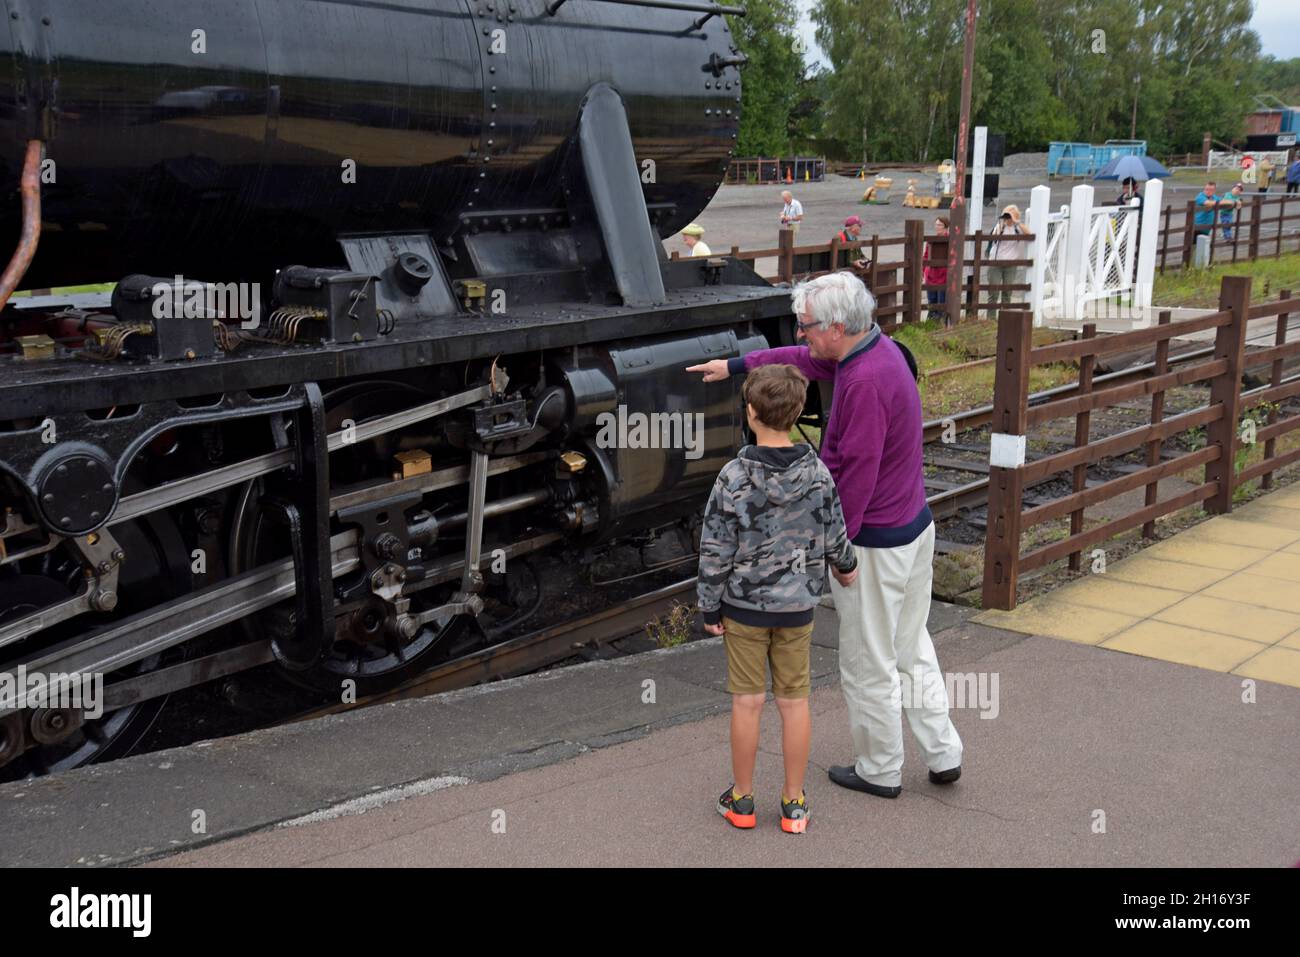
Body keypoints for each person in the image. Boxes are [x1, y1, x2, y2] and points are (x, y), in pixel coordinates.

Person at [687, 271, 964, 802]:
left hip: (876, 542)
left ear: (837, 326)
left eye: (807, 325)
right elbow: (804, 360)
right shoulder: (880, 352)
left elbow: (854, 476)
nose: (803, 333)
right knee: (912, 644)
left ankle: (880, 768)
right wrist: (737, 365)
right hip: (914, 527)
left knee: (867, 658)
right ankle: (943, 749)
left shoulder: (861, 383)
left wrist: (840, 554)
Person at [696, 363, 858, 834]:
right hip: (797, 609)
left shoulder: (732, 477)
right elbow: (835, 534)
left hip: (744, 609)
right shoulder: (818, 473)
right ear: (799, 410)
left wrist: (710, 604)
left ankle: (743, 801)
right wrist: (846, 569)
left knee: (747, 703)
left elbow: (714, 548)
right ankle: (793, 804)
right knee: (794, 702)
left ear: (750, 412)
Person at [984, 204, 1026, 306]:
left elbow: (1029, 234)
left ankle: (1005, 316)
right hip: (995, 262)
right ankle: (991, 319)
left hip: (1011, 264)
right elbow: (994, 238)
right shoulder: (999, 226)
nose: (1008, 218)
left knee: (1007, 292)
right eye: (1006, 215)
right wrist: (1002, 224)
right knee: (993, 292)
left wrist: (1017, 222)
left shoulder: (1017, 229)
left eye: (1010, 216)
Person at [924, 216, 949, 321]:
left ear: (946, 227)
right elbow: (925, 256)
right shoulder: (931, 240)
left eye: (940, 225)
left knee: (941, 301)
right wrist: (923, 271)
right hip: (931, 275)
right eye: (936, 224)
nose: (937, 227)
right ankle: (931, 322)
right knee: (931, 301)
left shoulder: (950, 239)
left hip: (943, 275)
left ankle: (940, 322)